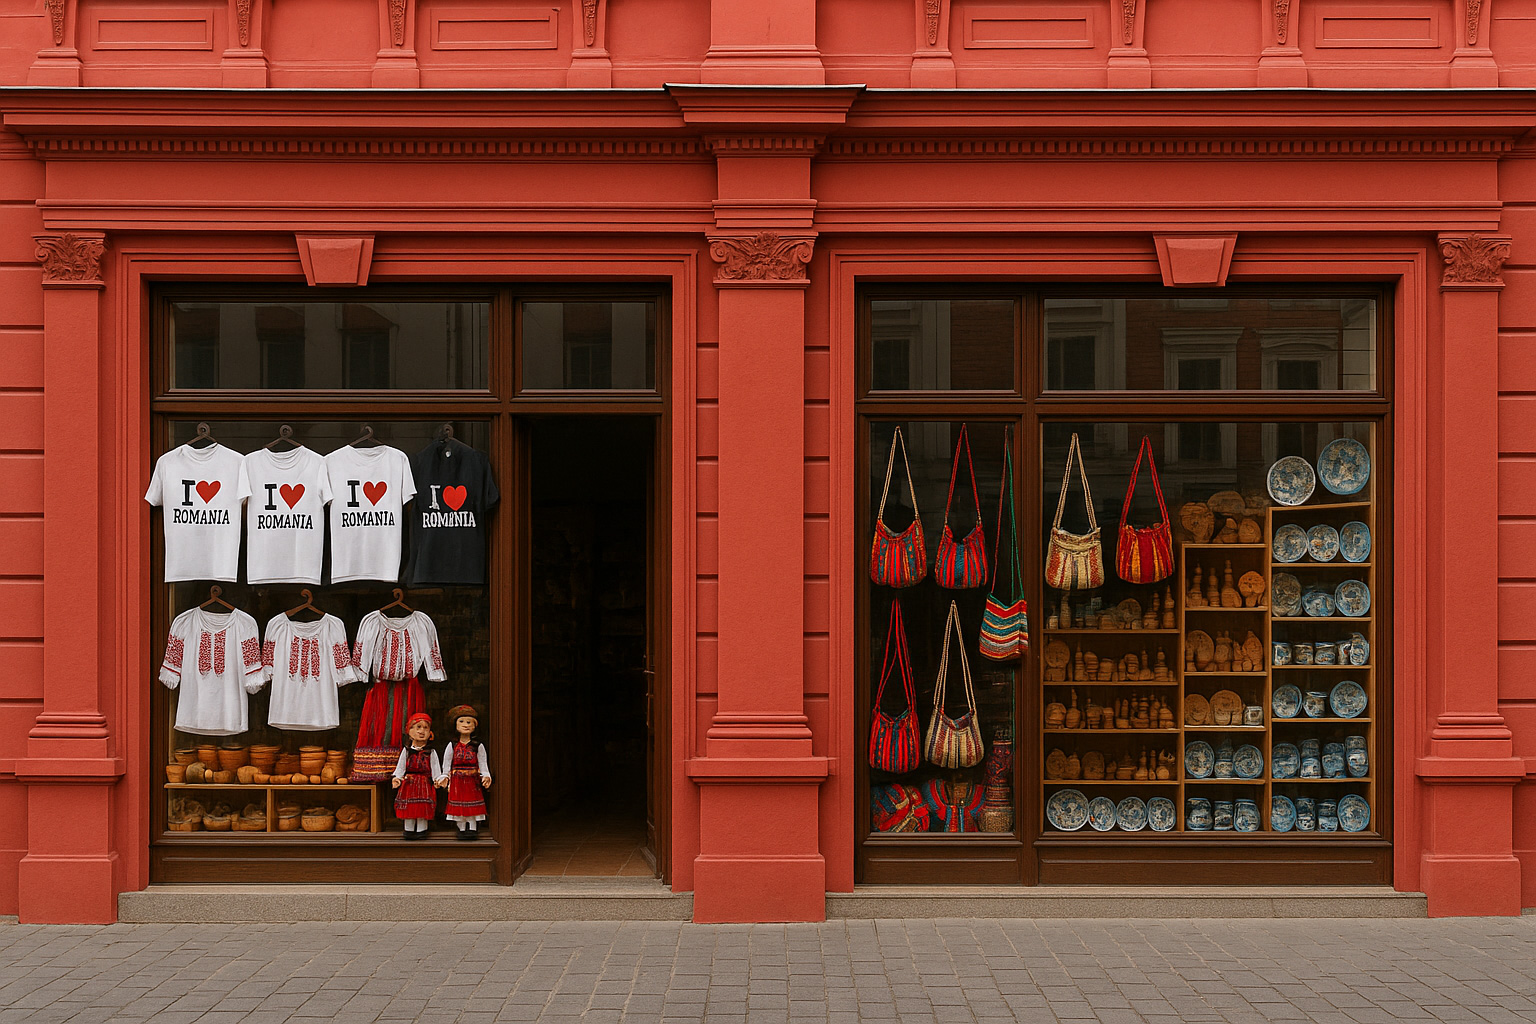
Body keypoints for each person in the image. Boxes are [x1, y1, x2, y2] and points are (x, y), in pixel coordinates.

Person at [442, 704, 491, 839]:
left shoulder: (477, 746)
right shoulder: (452, 745)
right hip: (457, 780)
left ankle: (473, 827)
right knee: (460, 805)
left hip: (472, 780)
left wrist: (486, 775)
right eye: (462, 722)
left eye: (469, 722)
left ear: (475, 725)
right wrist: (445, 776)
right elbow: (446, 764)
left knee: (473, 803)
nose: (466, 725)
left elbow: (483, 763)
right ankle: (461, 828)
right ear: (455, 725)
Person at [391, 712, 443, 839]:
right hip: (409, 783)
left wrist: (438, 779)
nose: (421, 731)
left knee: (422, 808)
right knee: (409, 807)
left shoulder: (431, 752)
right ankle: (408, 829)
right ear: (409, 731)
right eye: (418, 727)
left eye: (425, 728)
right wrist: (397, 778)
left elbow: (436, 768)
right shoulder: (407, 751)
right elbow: (401, 767)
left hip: (424, 783)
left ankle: (422, 829)